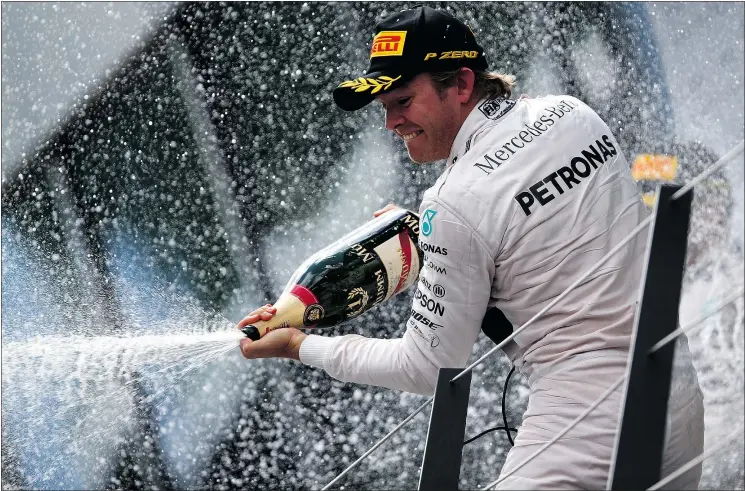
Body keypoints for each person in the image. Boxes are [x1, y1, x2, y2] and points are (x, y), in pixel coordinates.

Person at [236, 6, 705, 489]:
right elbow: (540, 235)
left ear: (461, 84)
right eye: (384, 106)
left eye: (403, 100)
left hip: (585, 423)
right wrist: (433, 243)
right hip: (675, 389)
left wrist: (301, 346)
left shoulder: (452, 204)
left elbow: (424, 368)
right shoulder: (571, 113)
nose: (391, 122)